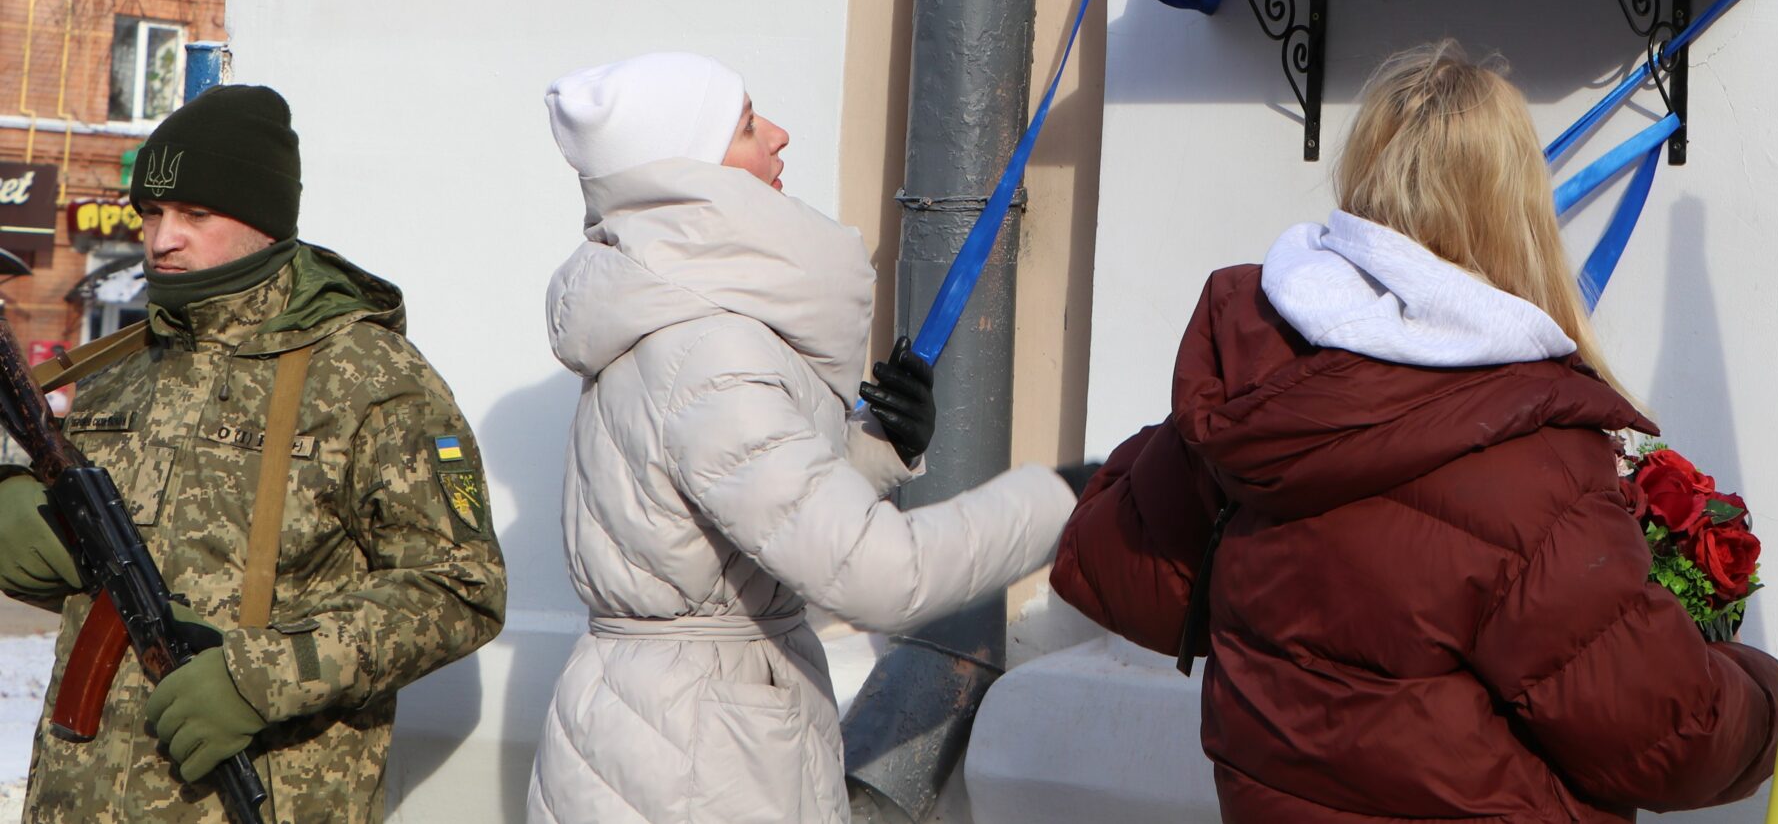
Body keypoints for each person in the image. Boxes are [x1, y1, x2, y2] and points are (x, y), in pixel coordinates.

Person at [1054, 41, 1778, 823]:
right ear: (1516, 209)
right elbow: (1673, 734)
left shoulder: (1261, 384)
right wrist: (1774, 691)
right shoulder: (1531, 468)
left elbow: (1105, 558)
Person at [526, 52, 1079, 824]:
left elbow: (733, 517)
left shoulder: (674, 319)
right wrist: (1062, 497)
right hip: (696, 759)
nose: (780, 135)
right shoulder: (708, 347)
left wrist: (875, 446)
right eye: (749, 123)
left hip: (681, 733)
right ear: (694, 171)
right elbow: (874, 572)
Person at [0, 84, 507, 822]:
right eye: (152, 213)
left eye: (195, 214)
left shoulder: (370, 378)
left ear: (264, 221)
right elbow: (99, 582)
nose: (162, 237)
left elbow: (462, 586)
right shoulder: (122, 374)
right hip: (77, 797)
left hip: (257, 800)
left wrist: (259, 676)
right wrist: (18, 515)